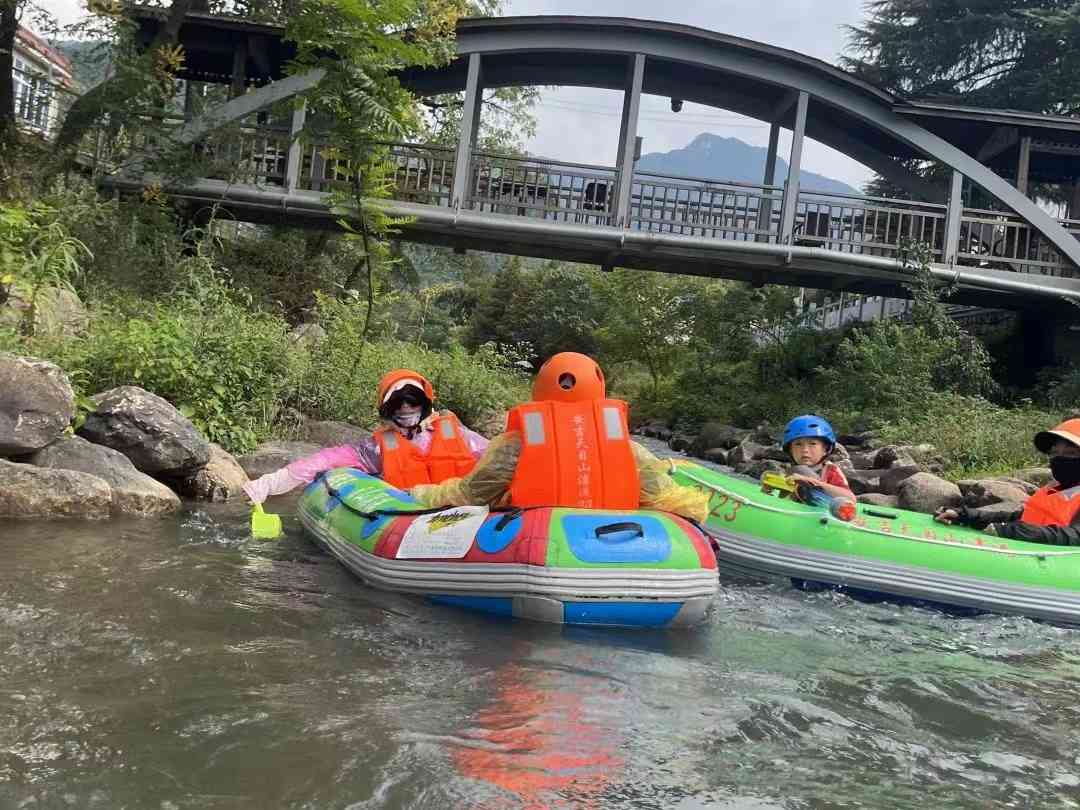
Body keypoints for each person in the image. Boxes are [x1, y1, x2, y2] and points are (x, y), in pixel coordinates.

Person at [407, 352, 711, 523]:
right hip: (616, 539)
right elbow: (672, 500)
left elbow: (470, 496)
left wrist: (420, 494)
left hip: (536, 541)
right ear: (599, 391)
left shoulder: (515, 446)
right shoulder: (630, 451)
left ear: (540, 390)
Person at [242, 368, 489, 506]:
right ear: (387, 410)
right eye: (398, 404)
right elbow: (320, 462)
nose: (406, 409)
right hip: (413, 519)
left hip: (467, 514)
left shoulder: (460, 435)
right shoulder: (375, 449)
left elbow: (498, 459)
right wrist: (267, 484)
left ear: (425, 404)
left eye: (412, 402)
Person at [934, 418, 1080, 544]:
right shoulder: (1054, 490)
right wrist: (968, 516)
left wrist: (1020, 532)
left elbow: (1075, 536)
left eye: (1071, 453)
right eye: (1054, 453)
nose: (1059, 459)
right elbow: (1021, 518)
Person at [781, 414, 854, 501]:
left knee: (802, 471)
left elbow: (850, 498)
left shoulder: (831, 470)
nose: (805, 450)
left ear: (825, 450)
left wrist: (810, 481)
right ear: (790, 450)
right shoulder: (789, 471)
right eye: (798, 444)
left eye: (812, 444)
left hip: (824, 507)